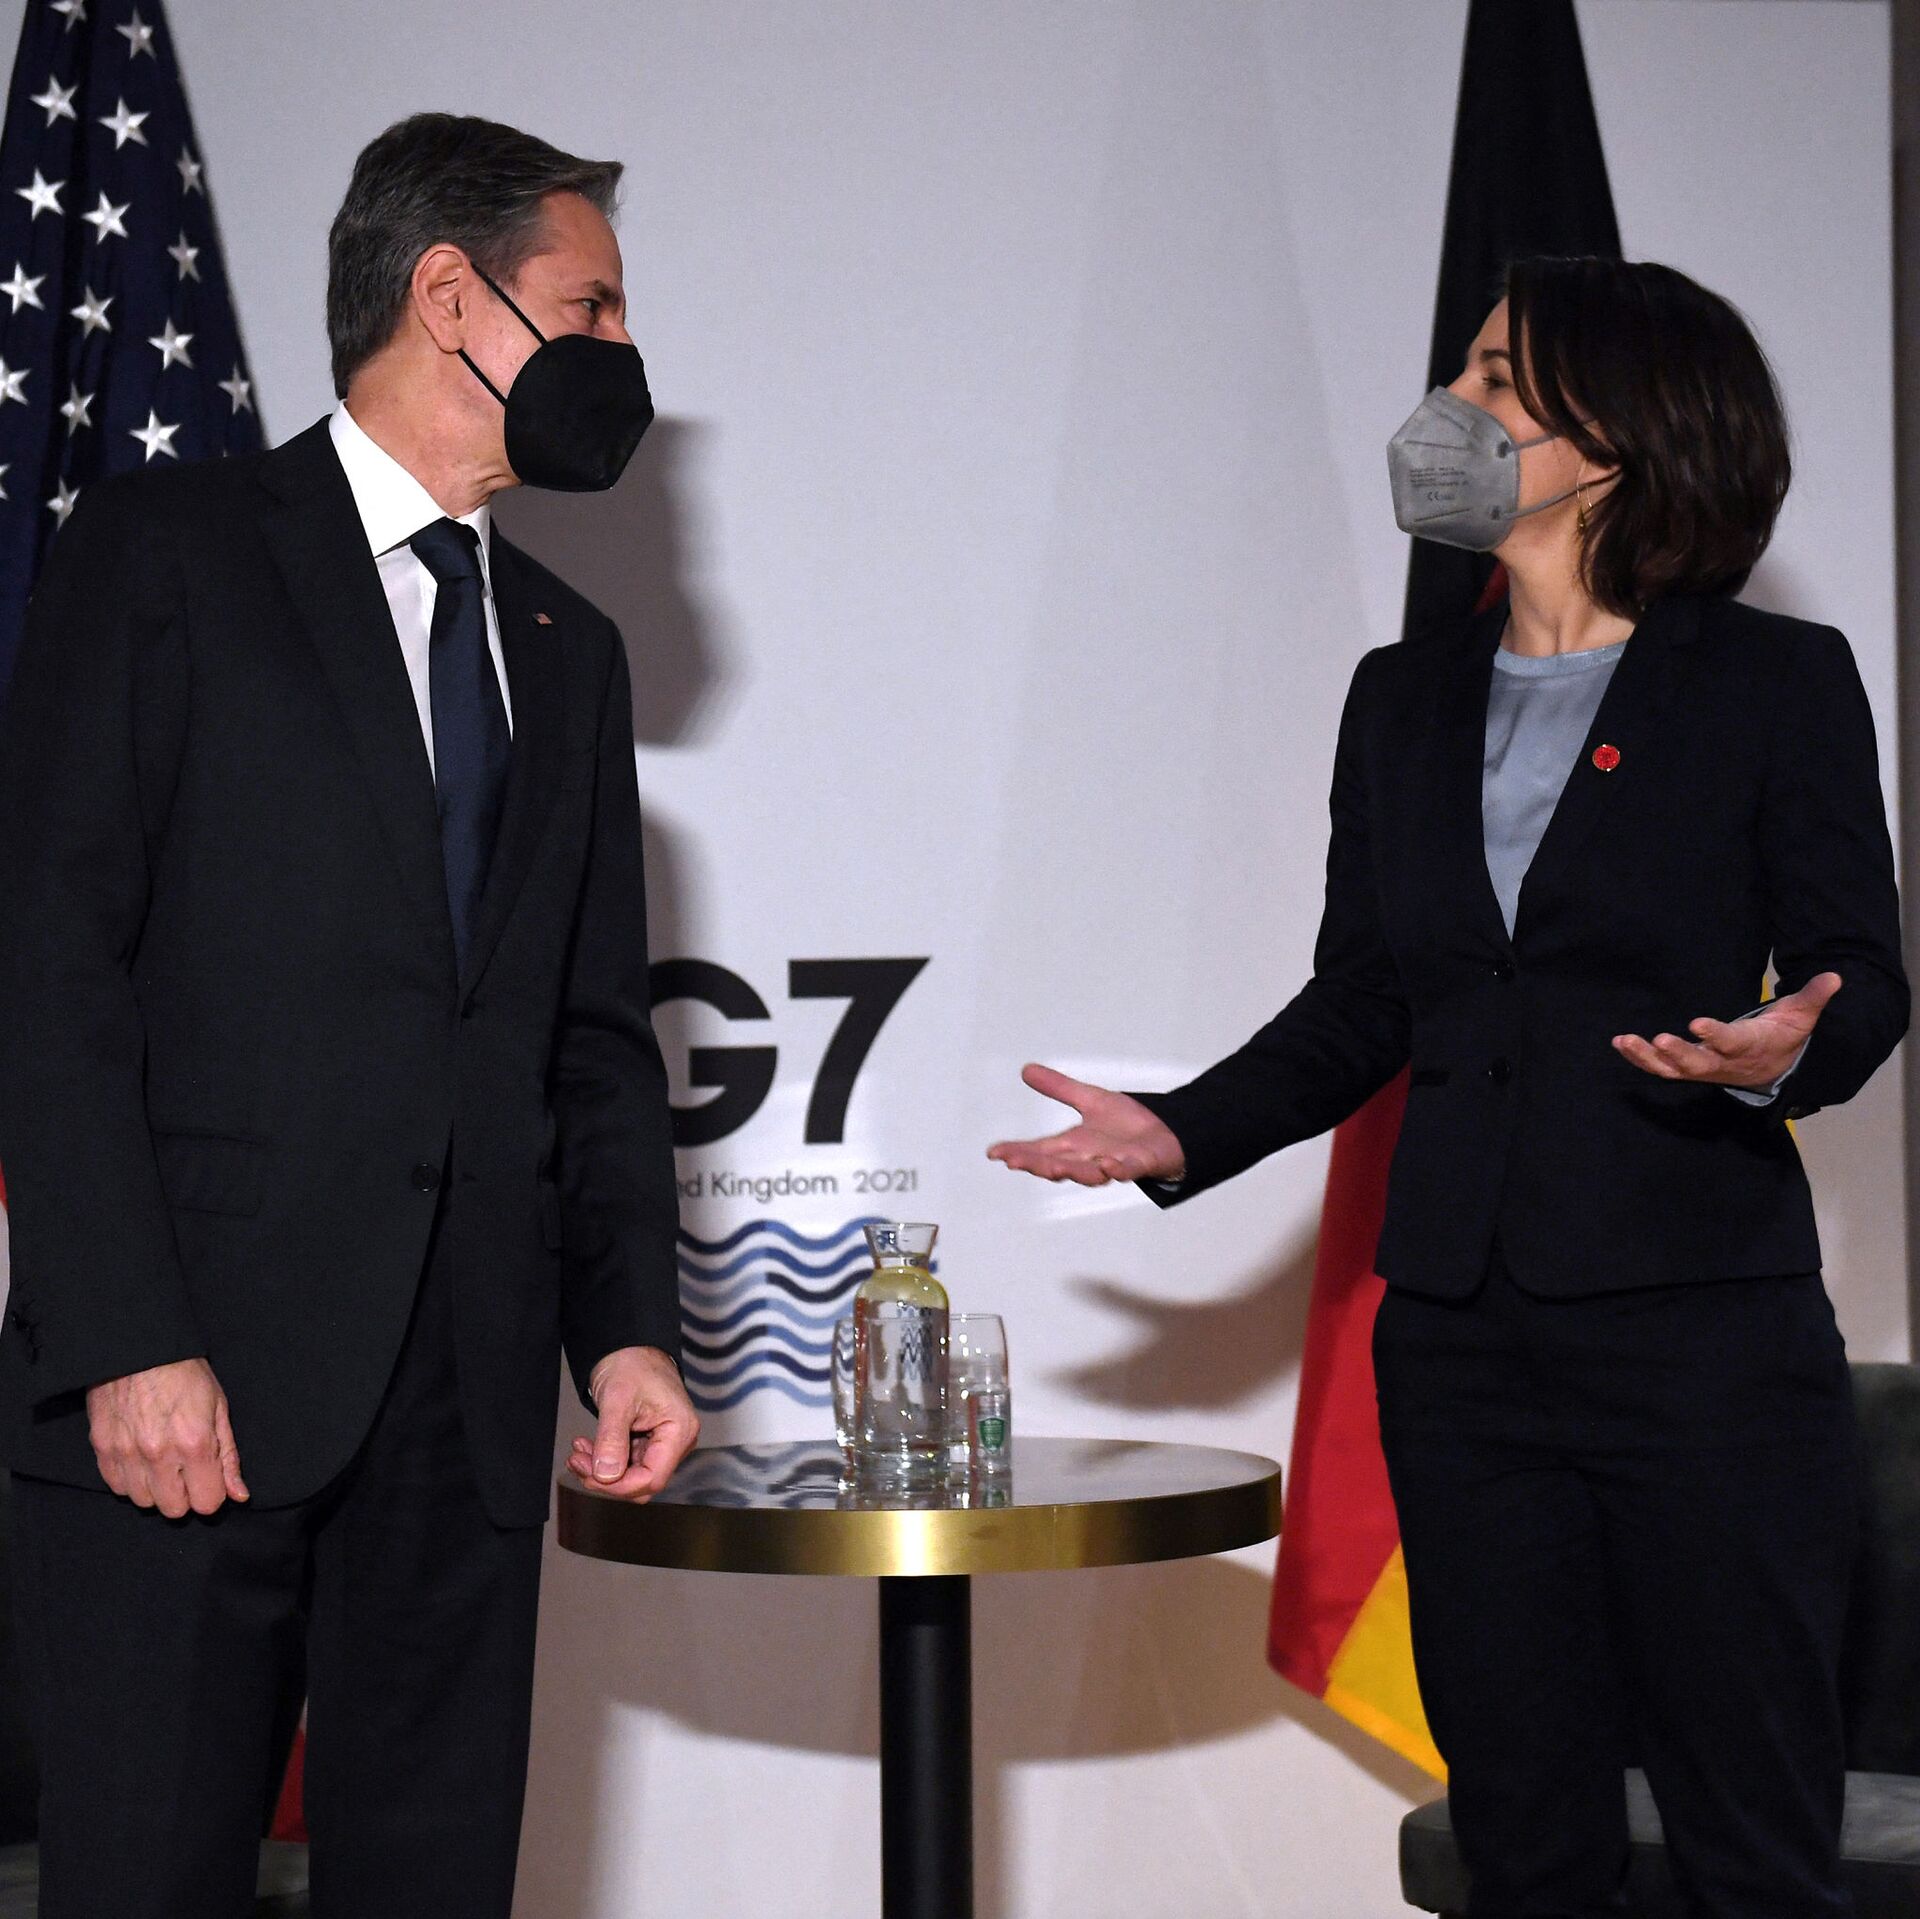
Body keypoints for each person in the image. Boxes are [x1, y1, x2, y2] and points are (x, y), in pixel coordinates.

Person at [990, 256, 1906, 1917]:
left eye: (1493, 378)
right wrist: (1183, 1128)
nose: (1449, 408)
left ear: (1613, 434)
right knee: (1523, 1842)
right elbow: (1369, 997)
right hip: (1462, 1347)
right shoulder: (1399, 696)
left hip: (1701, 1340)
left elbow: (1862, 974)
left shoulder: (1776, 682)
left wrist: (1789, 1051)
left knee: (1751, 1841)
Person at [0, 114, 697, 1919]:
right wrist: (124, 1341)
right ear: (449, 295)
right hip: (183, 1406)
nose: (625, 351)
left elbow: (590, 1038)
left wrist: (627, 1330)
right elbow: (49, 971)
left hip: (465, 1419)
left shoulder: (570, 646)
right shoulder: (165, 551)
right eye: (594, 305)